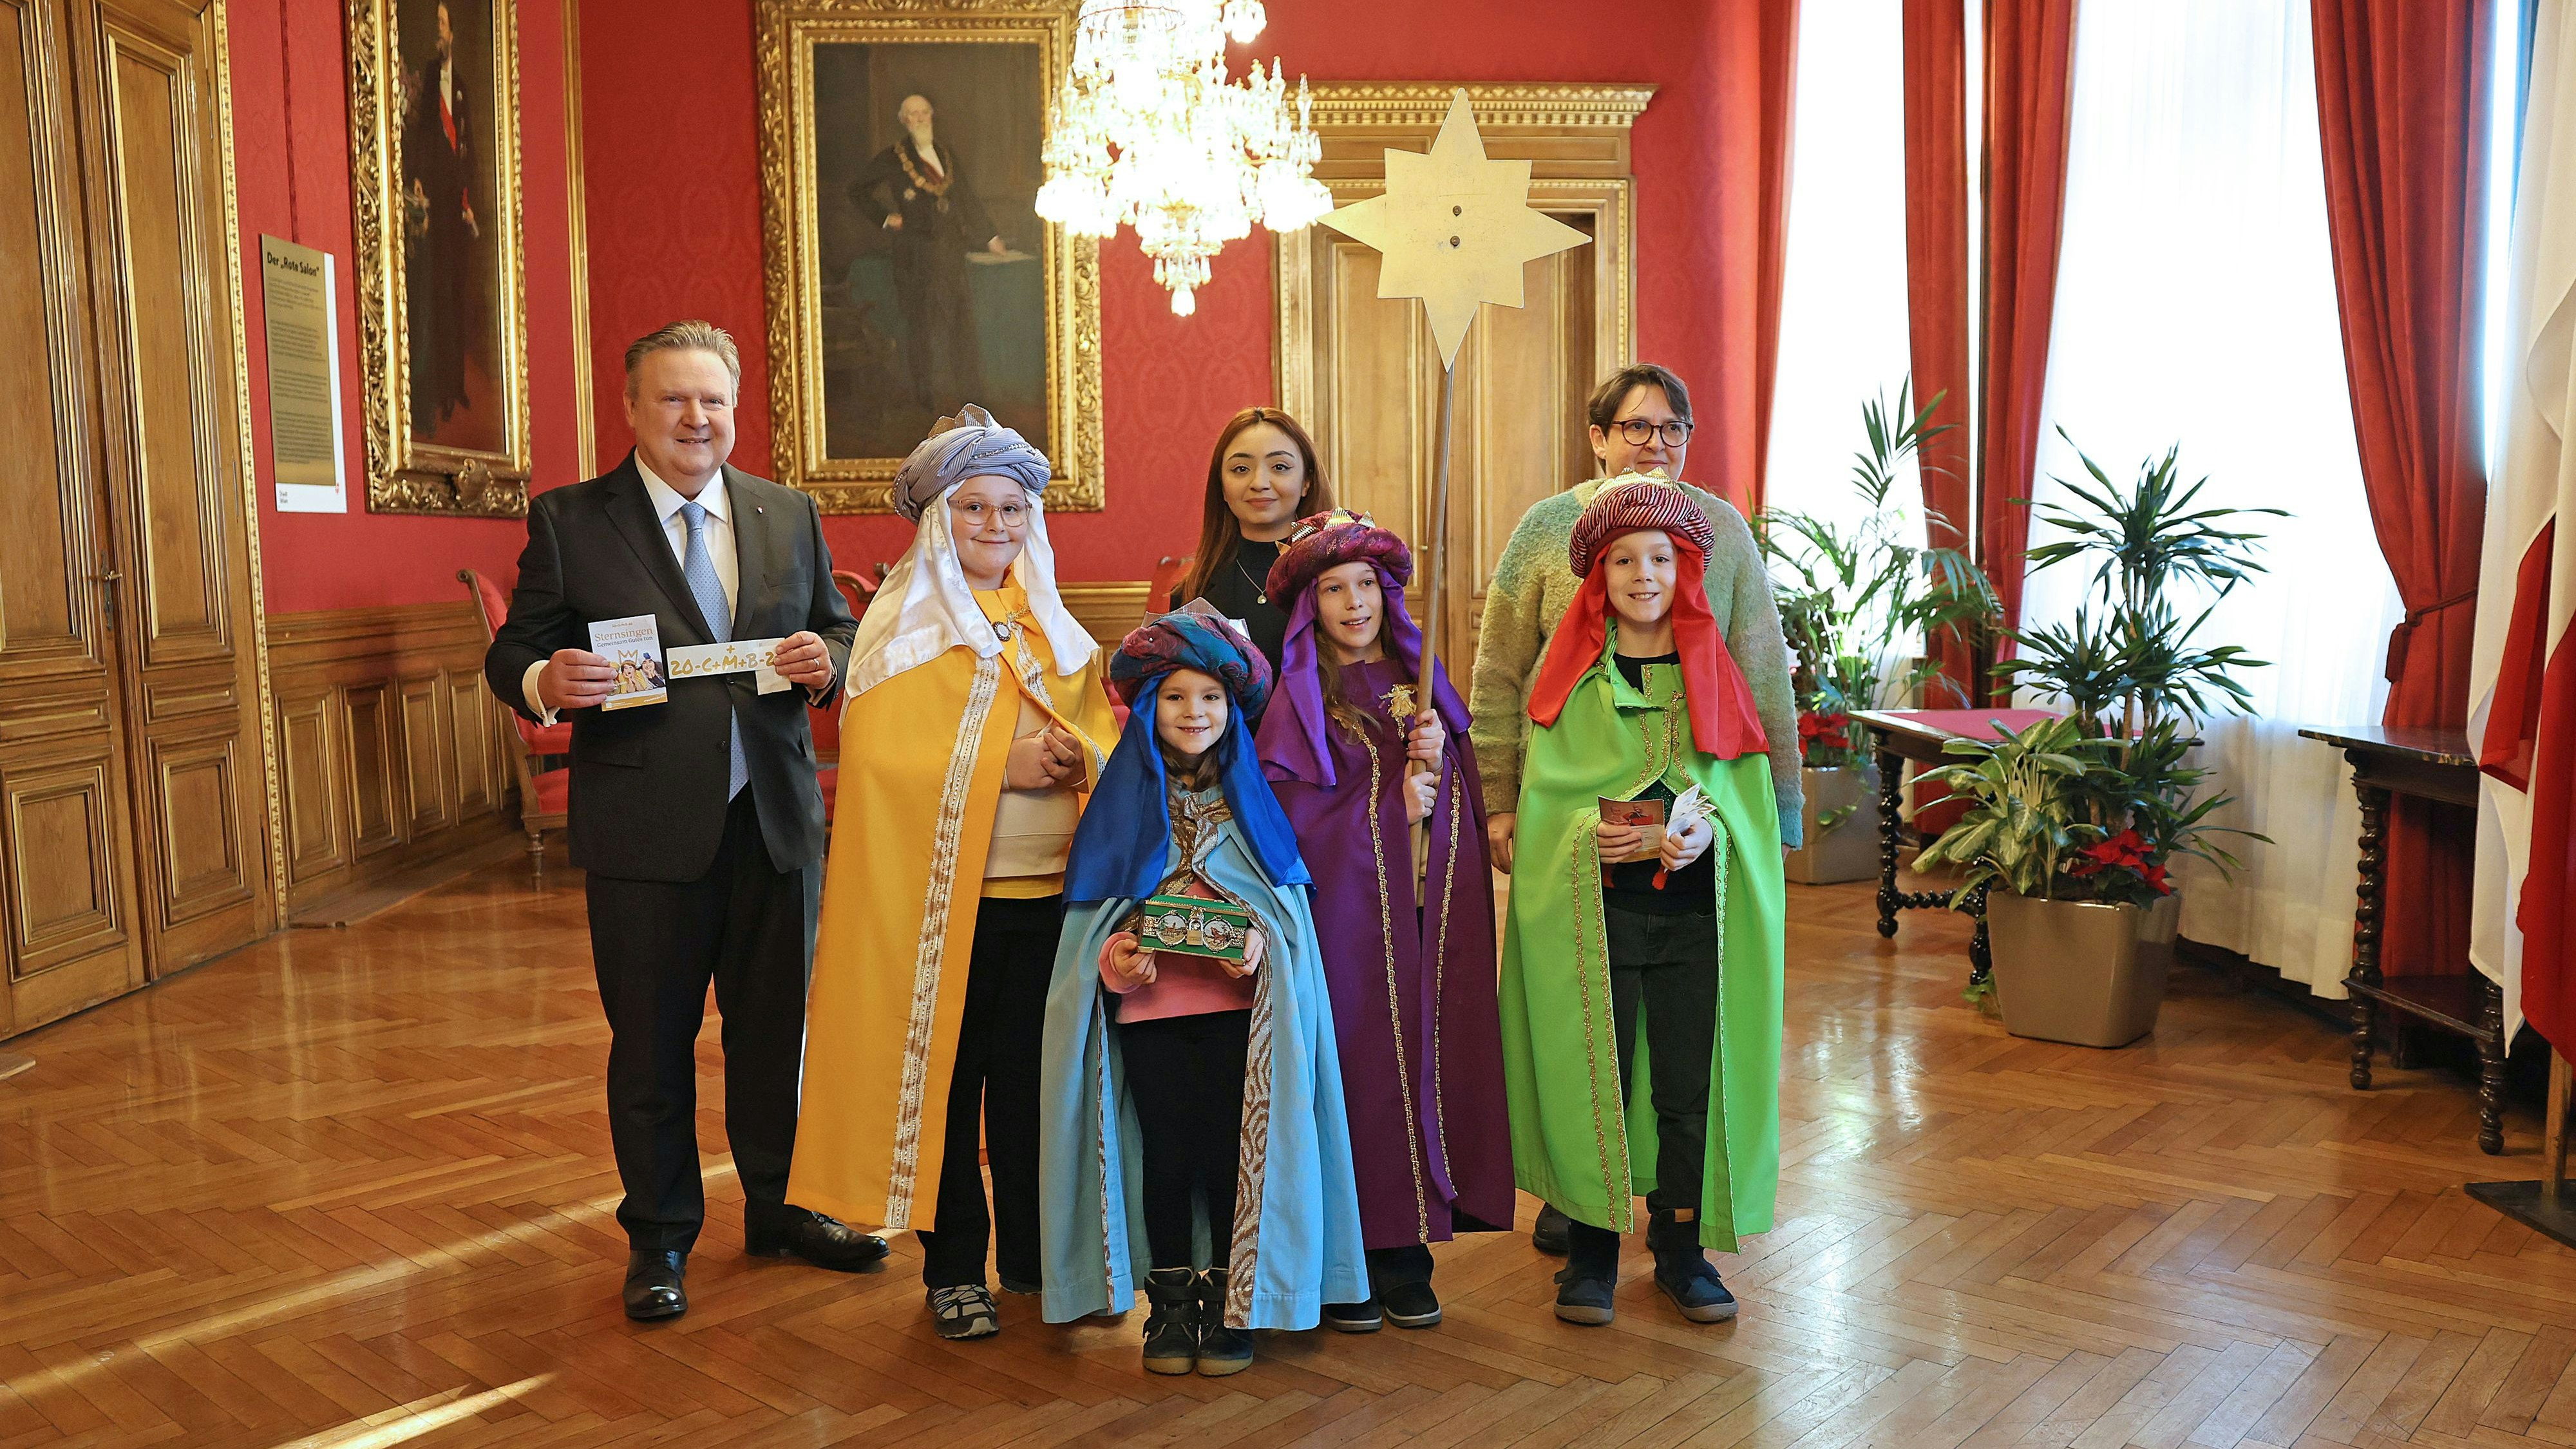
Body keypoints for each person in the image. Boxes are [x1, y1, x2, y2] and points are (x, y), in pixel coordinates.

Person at [482, 320, 886, 1323]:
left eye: (713, 400)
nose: (696, 418)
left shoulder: (787, 511)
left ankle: (783, 1209)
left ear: (735, 408)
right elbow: (515, 653)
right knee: (652, 1045)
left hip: (777, 823)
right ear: (632, 408)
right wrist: (545, 678)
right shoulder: (573, 520)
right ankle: (660, 1238)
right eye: (673, 399)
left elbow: (836, 621)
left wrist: (827, 657)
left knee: (775, 1036)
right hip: (646, 832)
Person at [786, 404, 1117, 1341]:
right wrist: (999, 768)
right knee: (947, 1081)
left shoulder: (1051, 625)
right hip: (946, 909)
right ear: (939, 520)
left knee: (1031, 1082)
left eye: (1013, 510)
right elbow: (884, 763)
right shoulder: (902, 632)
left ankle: (1031, 1258)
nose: (997, 527)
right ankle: (952, 1266)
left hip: (1048, 896)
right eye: (976, 508)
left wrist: (1075, 755)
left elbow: (1101, 728)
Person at [1468, 363, 1802, 1256]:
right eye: (1636, 427)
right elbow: (1503, 677)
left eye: (1672, 429)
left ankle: (1681, 1235)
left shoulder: (1722, 537)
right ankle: (1586, 1216)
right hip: (1597, 899)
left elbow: (1759, 678)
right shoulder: (1546, 539)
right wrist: (1509, 806)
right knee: (1595, 1054)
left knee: (1687, 1065)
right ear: (1599, 436)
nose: (1654, 443)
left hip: (1690, 908)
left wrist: (1757, 824)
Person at [1038, 610, 1368, 1377]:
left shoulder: (1251, 811)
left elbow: (1283, 926)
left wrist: (1257, 949)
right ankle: (1168, 1307)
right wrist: (1123, 958)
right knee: (1165, 1158)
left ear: (1232, 710)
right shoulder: (1122, 809)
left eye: (1211, 699)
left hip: (1233, 1024)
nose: (1196, 714)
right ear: (1150, 709)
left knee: (1227, 1160)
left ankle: (1230, 1299)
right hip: (1151, 1025)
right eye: (1178, 699)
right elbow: (1099, 937)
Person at [1254, 511, 1515, 1332]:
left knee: (1425, 1060)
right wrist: (1387, 805)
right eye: (1334, 587)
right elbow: (1291, 818)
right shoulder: (1297, 698)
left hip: (1421, 916)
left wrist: (1438, 772)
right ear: (1310, 603)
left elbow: (1460, 811)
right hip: (1348, 929)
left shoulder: (1420, 680)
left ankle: (1410, 1252)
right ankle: (1352, 1255)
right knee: (1359, 1070)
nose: (1354, 601)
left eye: (1367, 584)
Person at [852, 93, 1009, 411]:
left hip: (950, 253)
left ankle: (972, 400)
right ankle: (925, 399)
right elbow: (857, 190)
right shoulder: (894, 157)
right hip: (914, 255)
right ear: (904, 121)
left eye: (924, 113)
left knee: (960, 322)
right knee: (921, 326)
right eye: (913, 114)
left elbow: (967, 198)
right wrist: (885, 218)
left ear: (932, 116)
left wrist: (990, 237)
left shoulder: (945, 155)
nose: (920, 119)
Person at [1168, 408, 1337, 673]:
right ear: (1221, 487)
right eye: (1241, 469)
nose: (1259, 483)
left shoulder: (1343, 580)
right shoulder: (1192, 595)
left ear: (1307, 481)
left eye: (1280, 467)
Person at [403, 0, 478, 437]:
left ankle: (456, 386)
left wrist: (468, 201)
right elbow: (422, 140)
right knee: (438, 300)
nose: (438, 31)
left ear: (453, 35)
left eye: (443, 25)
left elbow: (467, 147)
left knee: (457, 298)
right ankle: (439, 392)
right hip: (435, 207)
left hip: (457, 210)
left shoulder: (462, 87)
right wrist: (418, 183)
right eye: (435, 25)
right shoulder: (429, 80)